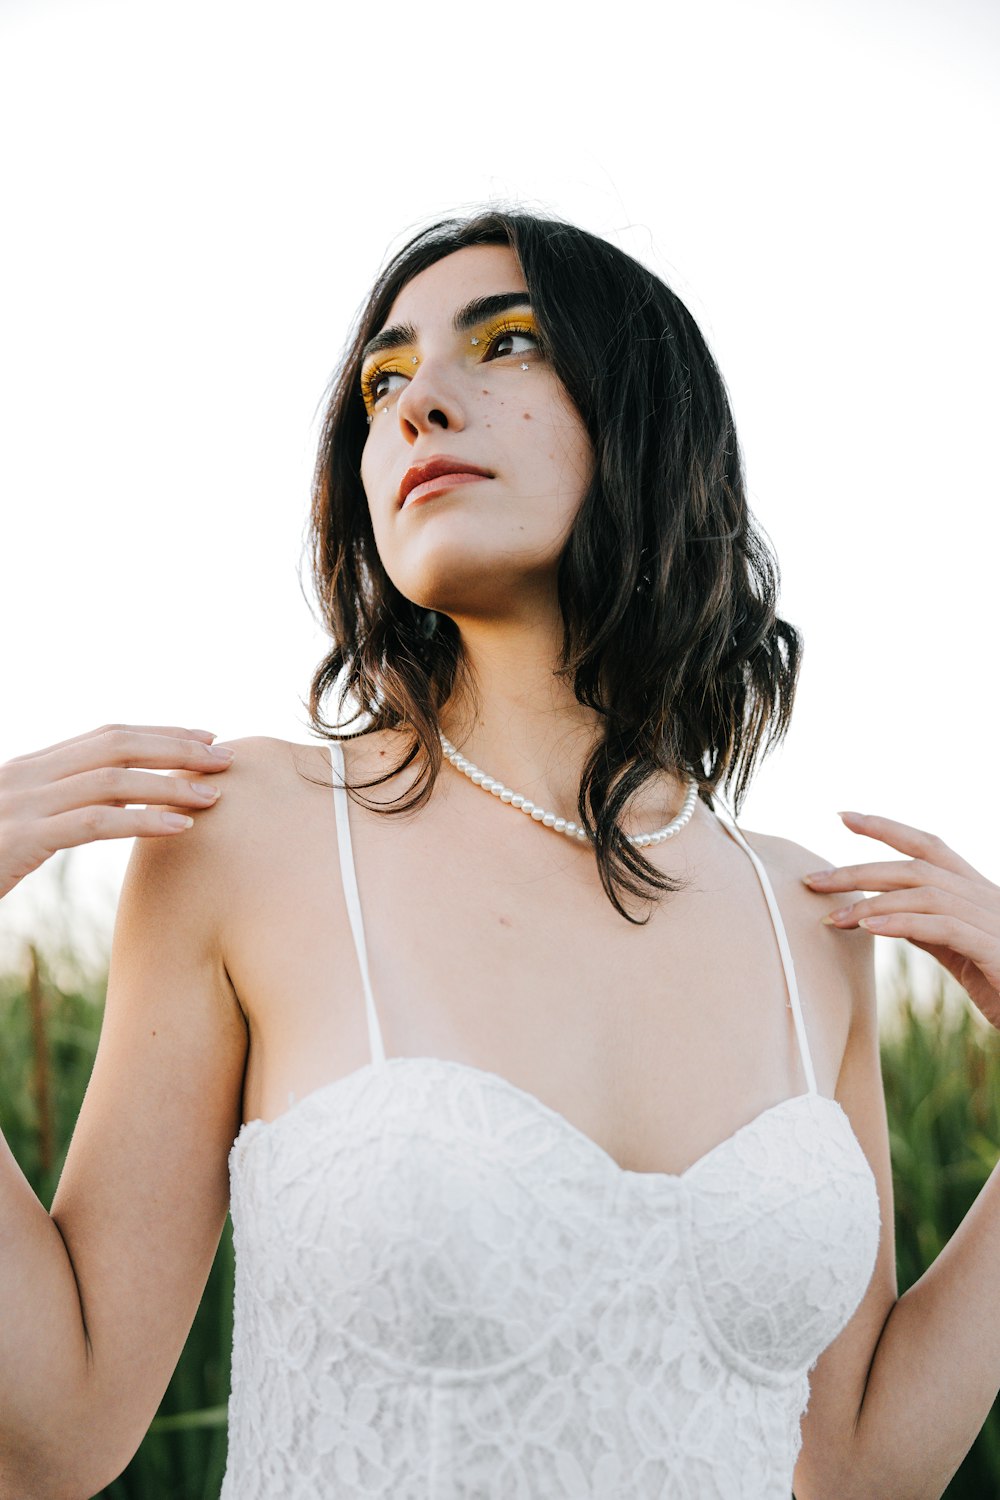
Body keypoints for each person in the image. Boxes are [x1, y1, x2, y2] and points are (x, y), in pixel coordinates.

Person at [1, 211, 999, 1500]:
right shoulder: (256, 832)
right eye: (384, 379)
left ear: (644, 415)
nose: (418, 404)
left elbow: (862, 1472)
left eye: (507, 344)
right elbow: (54, 1434)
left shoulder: (809, 917)